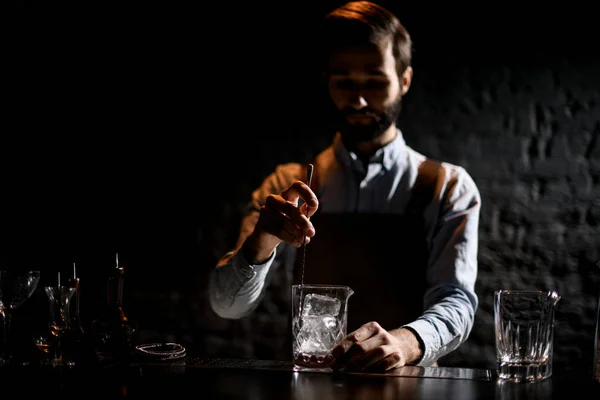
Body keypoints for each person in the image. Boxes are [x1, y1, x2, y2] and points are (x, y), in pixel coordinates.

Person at [208, 0, 481, 372]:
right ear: (327, 81)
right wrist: (261, 243)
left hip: (409, 387)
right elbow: (227, 306)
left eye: (375, 81)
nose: (359, 100)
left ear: (404, 80)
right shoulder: (285, 185)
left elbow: (456, 301)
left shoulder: (448, 188)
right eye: (345, 82)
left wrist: (407, 341)